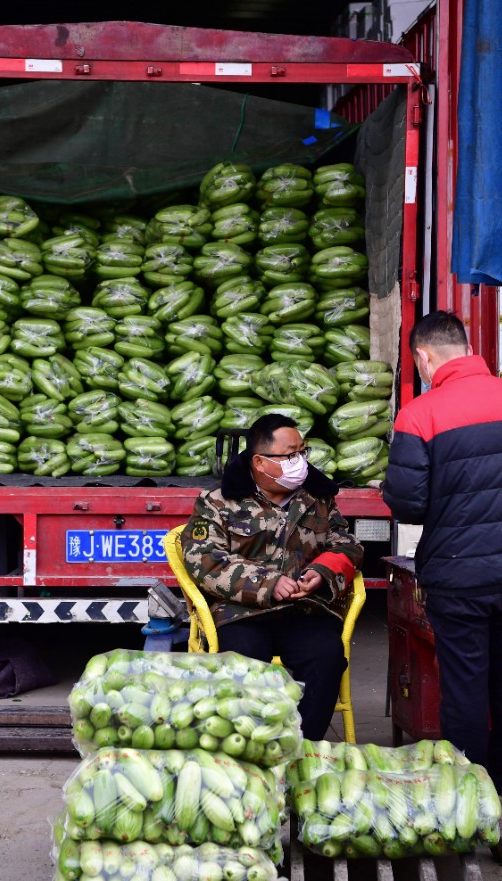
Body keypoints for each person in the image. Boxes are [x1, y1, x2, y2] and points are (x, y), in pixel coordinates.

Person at [181, 413, 364, 740]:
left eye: (302, 453)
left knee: (328, 657)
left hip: (304, 609)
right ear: (260, 462)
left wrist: (321, 573)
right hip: (241, 613)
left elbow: (345, 543)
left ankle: (303, 747)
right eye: (290, 455)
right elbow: (203, 561)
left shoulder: (317, 498)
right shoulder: (219, 502)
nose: (300, 462)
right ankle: (250, 745)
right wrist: (266, 583)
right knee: (242, 662)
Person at [383, 310, 502, 792]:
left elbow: (408, 505)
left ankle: (477, 802)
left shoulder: (419, 413)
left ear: (423, 357)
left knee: (467, 687)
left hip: (459, 577)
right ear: (468, 348)